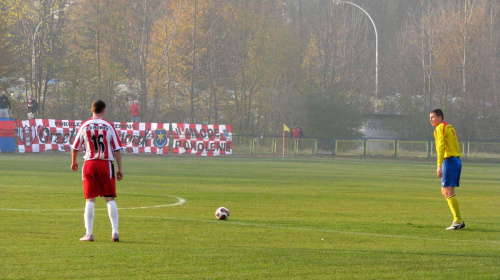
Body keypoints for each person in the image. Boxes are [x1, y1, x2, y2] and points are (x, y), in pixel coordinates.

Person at [71, 100, 124, 242]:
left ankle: (89, 233)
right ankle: (115, 232)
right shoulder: (109, 126)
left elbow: (75, 147)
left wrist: (74, 161)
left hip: (89, 164)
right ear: (104, 110)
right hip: (106, 164)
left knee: (90, 199)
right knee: (110, 198)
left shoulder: (85, 125)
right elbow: (117, 149)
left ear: (91, 109)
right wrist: (120, 168)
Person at [429, 109, 464, 230]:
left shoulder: (440, 128)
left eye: (433, 117)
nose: (431, 120)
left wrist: (439, 165)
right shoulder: (449, 127)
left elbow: (440, 147)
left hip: (449, 161)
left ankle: (458, 220)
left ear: (440, 117)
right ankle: (458, 220)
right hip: (456, 160)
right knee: (446, 191)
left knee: (447, 191)